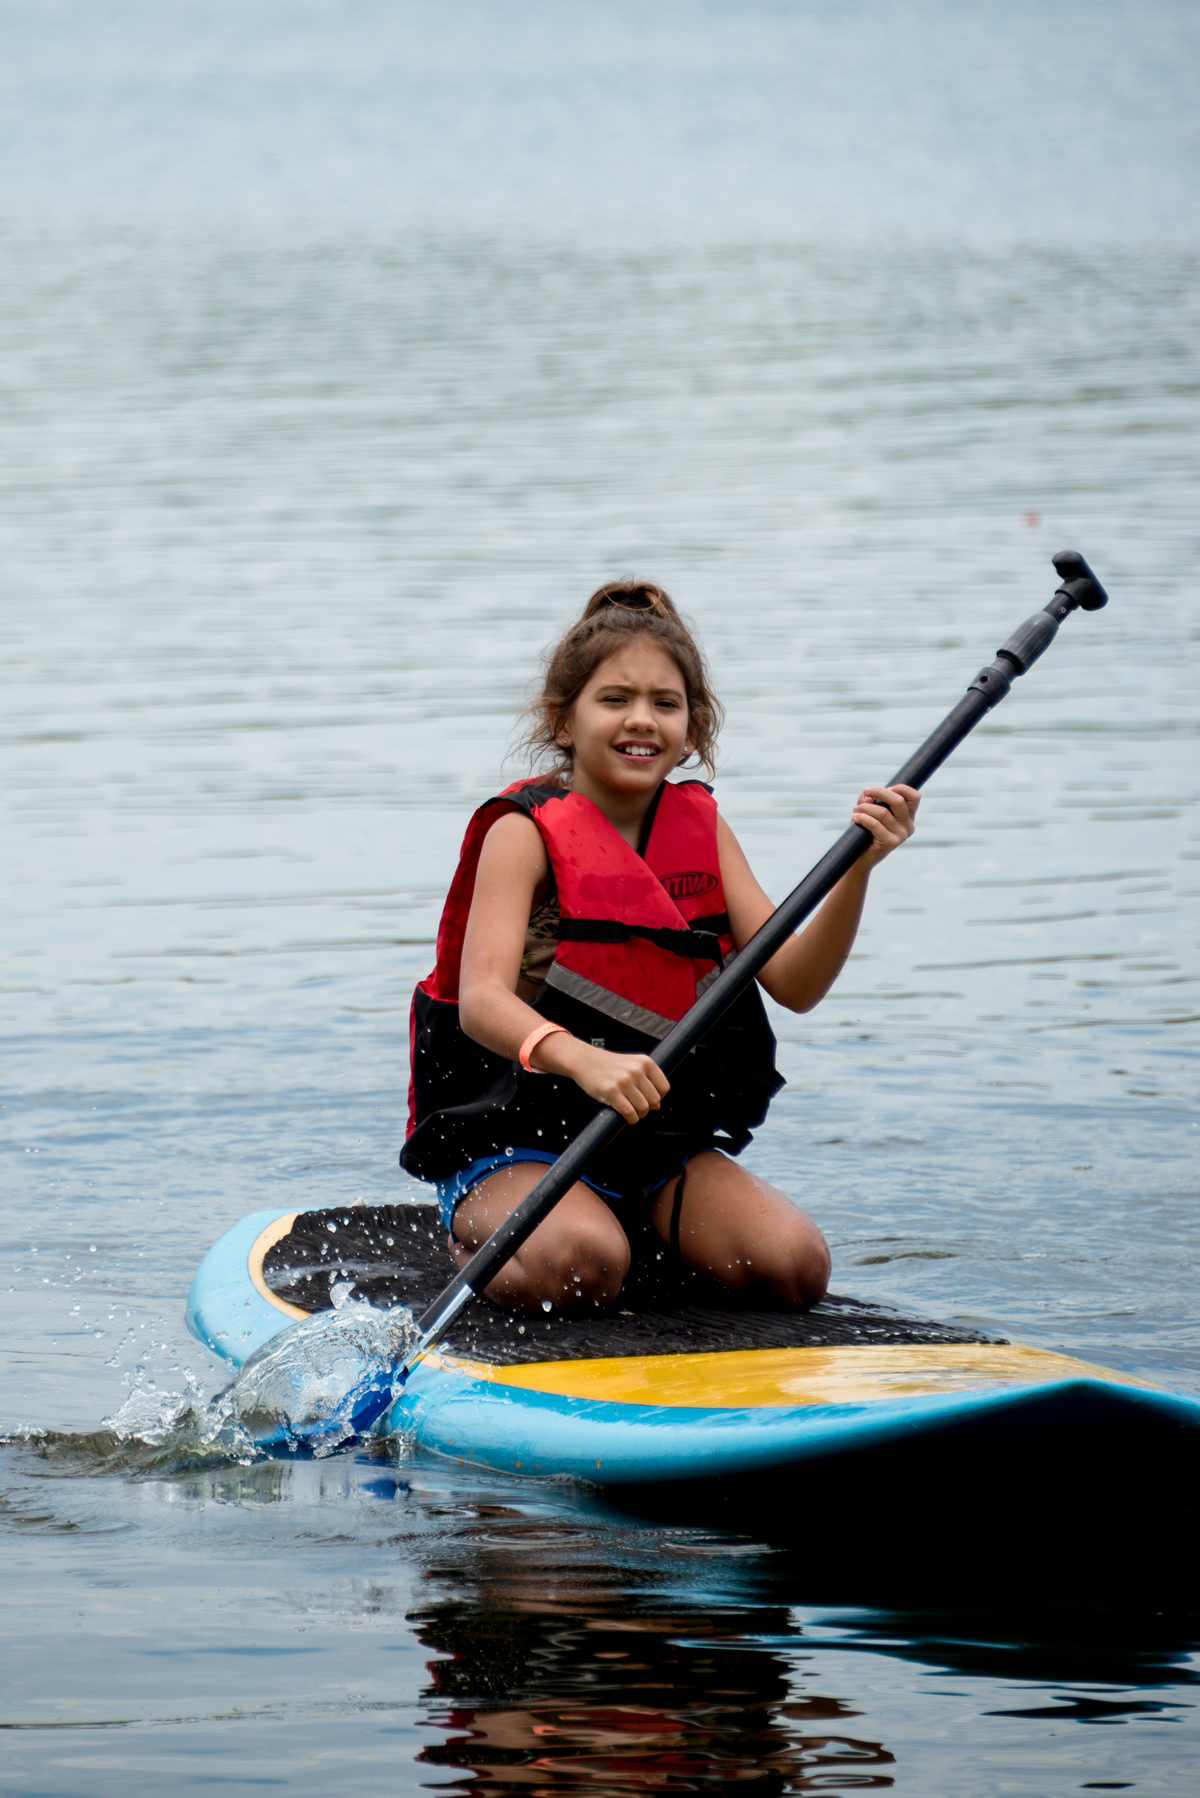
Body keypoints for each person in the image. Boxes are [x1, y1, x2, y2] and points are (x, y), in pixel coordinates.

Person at [401, 581, 918, 1313]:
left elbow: (798, 982)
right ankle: (479, 1241)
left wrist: (859, 869)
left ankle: (630, 1228)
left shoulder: (703, 831)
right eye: (614, 699)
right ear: (565, 718)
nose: (641, 721)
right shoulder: (522, 833)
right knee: (582, 1265)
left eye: (665, 704)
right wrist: (585, 1061)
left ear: (692, 726)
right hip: (515, 1142)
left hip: (654, 1152)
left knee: (794, 1267)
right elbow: (482, 1002)